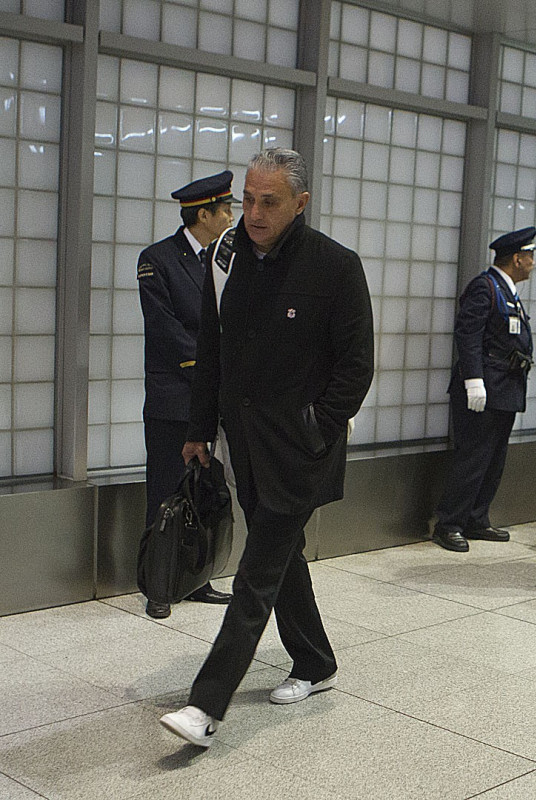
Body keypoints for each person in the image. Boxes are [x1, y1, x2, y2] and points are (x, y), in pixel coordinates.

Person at [159, 149, 374, 747]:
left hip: (303, 449)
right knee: (281, 558)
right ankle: (316, 662)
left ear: (299, 204)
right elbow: (213, 351)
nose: (252, 212)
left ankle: (206, 705)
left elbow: (356, 368)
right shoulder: (226, 260)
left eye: (268, 202)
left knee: (256, 573)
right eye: (247, 199)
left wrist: (317, 427)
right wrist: (199, 430)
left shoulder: (335, 267)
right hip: (244, 445)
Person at [137, 171, 237, 619]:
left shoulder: (224, 260)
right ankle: (159, 585)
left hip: (211, 396)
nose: (233, 217)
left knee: (202, 489)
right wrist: (207, 371)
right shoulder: (157, 259)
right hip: (173, 393)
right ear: (204, 214)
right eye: (226, 210)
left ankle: (196, 576)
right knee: (164, 490)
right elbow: (164, 330)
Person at [429, 227, 536, 551]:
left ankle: (476, 518)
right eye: (530, 256)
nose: (533, 263)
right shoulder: (485, 287)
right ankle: (449, 524)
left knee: (494, 459)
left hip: (505, 388)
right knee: (473, 458)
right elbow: (468, 334)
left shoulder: (508, 291)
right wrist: (473, 380)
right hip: (483, 390)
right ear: (517, 258)